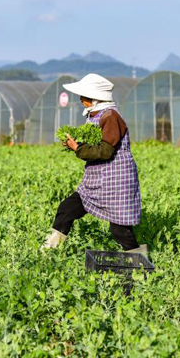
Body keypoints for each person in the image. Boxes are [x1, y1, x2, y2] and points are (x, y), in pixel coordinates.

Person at [41, 73, 146, 255]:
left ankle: (141, 264)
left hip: (116, 182)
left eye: (85, 96)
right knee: (66, 209)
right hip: (96, 181)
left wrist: (78, 148)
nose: (81, 99)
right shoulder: (96, 115)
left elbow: (105, 151)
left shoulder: (111, 116)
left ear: (96, 98)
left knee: (120, 231)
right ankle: (48, 251)